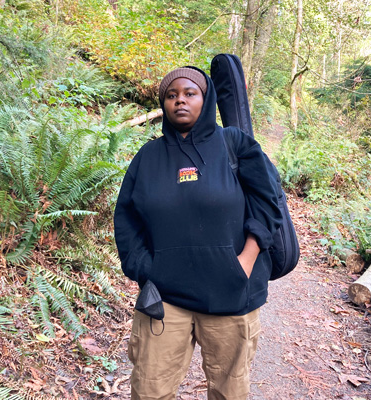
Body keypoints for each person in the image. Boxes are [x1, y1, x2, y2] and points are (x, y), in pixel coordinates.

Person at [114, 66, 283, 400]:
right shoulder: (148, 157)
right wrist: (146, 269)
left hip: (232, 294)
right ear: (163, 104)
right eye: (171, 95)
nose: (180, 101)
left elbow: (268, 204)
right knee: (150, 389)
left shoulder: (235, 145)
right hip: (164, 299)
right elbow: (127, 219)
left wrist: (244, 263)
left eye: (189, 93)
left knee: (229, 390)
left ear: (205, 100)